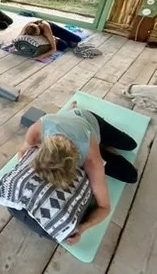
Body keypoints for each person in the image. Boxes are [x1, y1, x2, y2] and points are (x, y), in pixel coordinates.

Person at [16, 101, 137, 245]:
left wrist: (83, 227)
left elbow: (104, 207)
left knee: (131, 160)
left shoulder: (91, 162)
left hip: (90, 122)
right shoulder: (36, 131)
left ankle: (97, 140)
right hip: (70, 124)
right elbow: (22, 152)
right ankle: (74, 114)